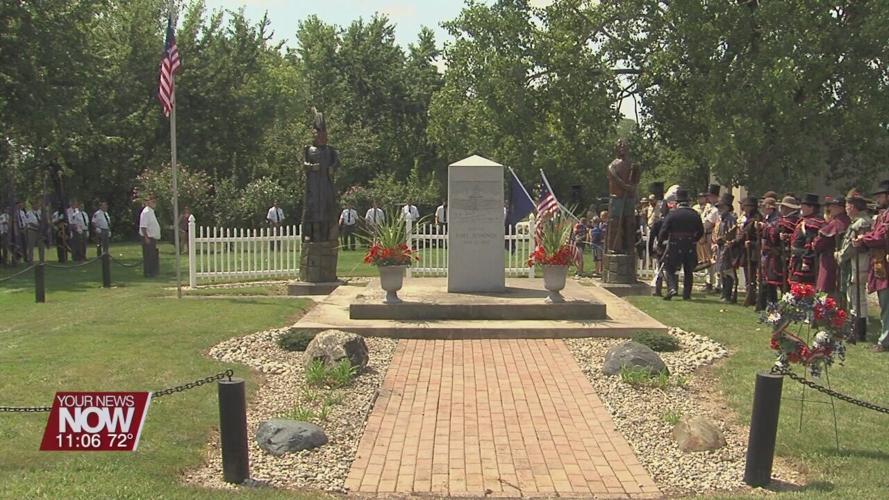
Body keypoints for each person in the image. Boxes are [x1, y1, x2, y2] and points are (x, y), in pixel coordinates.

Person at [853, 179, 889, 352]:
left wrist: (863, 239)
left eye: (881, 196)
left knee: (887, 305)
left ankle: (885, 341)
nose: (878, 199)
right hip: (880, 262)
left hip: (886, 263)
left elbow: (882, 236)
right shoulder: (883, 214)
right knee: (885, 304)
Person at [836, 192, 872, 337]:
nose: (846, 209)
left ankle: (858, 330)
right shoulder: (858, 221)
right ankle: (855, 328)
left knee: (857, 296)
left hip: (858, 263)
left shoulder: (861, 223)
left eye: (847, 205)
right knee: (854, 296)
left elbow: (852, 247)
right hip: (854, 263)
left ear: (853, 206)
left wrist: (840, 256)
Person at [659, 189, 704, 300]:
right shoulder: (695, 214)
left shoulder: (672, 214)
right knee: (689, 270)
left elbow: (664, 230)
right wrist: (694, 240)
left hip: (675, 244)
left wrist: (661, 243)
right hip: (690, 244)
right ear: (688, 202)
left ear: (677, 202)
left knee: (670, 267)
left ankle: (672, 288)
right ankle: (686, 294)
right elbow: (701, 231)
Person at [813, 196, 850, 297]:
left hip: (830, 261)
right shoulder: (849, 221)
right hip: (843, 261)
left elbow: (819, 243)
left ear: (841, 208)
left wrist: (815, 243)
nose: (830, 209)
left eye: (833, 206)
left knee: (825, 291)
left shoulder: (836, 222)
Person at [788, 194, 825, 286]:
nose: (801, 209)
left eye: (803, 206)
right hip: (797, 259)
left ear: (811, 207)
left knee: (803, 289)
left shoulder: (812, 224)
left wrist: (806, 261)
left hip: (805, 261)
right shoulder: (805, 221)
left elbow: (810, 243)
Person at [712, 193, 739, 303]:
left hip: (728, 249)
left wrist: (726, 241)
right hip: (720, 248)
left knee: (727, 272)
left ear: (727, 208)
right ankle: (724, 293)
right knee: (722, 271)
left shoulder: (730, 219)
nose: (719, 209)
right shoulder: (721, 219)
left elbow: (732, 234)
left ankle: (727, 295)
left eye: (722, 207)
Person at [737, 197, 762, 307]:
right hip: (747, 250)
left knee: (752, 275)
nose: (743, 208)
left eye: (746, 206)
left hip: (753, 251)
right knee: (749, 275)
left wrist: (750, 242)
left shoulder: (755, 220)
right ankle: (750, 296)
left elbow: (758, 237)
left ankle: (752, 296)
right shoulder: (749, 219)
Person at [701, 184, 721, 292]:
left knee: (715, 260)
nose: (709, 198)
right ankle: (708, 282)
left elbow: (708, 223)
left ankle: (718, 284)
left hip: (712, 235)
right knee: (708, 260)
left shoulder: (716, 209)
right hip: (706, 234)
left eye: (711, 196)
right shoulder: (709, 208)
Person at [139, 196, 161, 278]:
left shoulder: (151, 211)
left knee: (152, 256)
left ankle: (153, 272)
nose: (154, 203)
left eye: (155, 202)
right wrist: (146, 237)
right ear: (148, 203)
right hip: (148, 237)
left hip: (153, 237)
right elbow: (143, 226)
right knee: (148, 256)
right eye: (153, 202)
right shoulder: (146, 212)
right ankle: (148, 273)